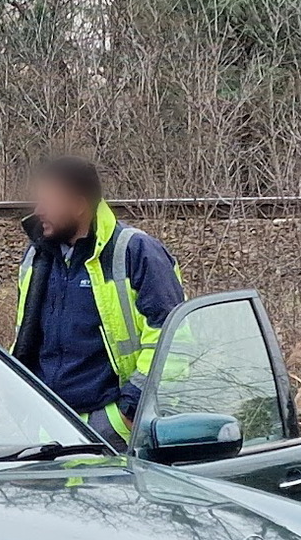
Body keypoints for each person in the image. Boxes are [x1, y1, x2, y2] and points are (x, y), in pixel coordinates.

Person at [10, 157, 184, 448]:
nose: (38, 211)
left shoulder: (136, 253)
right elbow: (26, 338)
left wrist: (129, 412)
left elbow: (172, 341)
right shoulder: (37, 256)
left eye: (48, 202)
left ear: (78, 206)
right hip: (48, 428)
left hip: (113, 434)